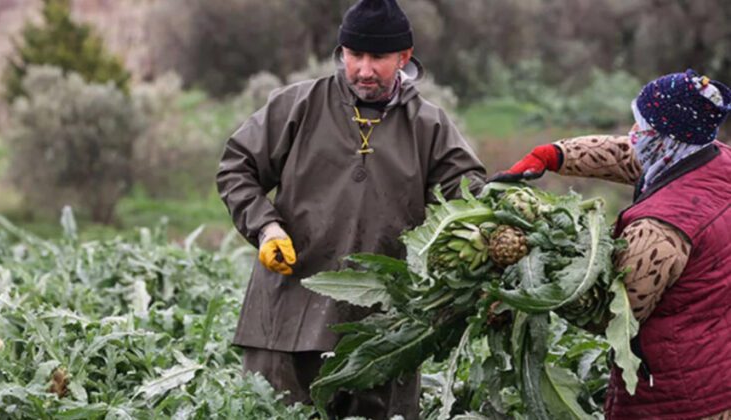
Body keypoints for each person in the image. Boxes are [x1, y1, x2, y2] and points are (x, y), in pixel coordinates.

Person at [215, 0, 487, 417]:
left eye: (378, 57)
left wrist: (492, 221)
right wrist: (265, 227)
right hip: (285, 317)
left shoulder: (428, 125)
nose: (363, 69)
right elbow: (237, 168)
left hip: (382, 332)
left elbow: (469, 194)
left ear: (404, 58)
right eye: (354, 55)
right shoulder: (297, 106)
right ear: (341, 52)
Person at [492, 69, 731, 419]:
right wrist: (553, 156)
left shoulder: (659, 231)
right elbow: (627, 154)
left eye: (642, 127)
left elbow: (608, 315)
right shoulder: (713, 160)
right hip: (716, 365)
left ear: (667, 140)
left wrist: (533, 269)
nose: (633, 134)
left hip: (675, 400)